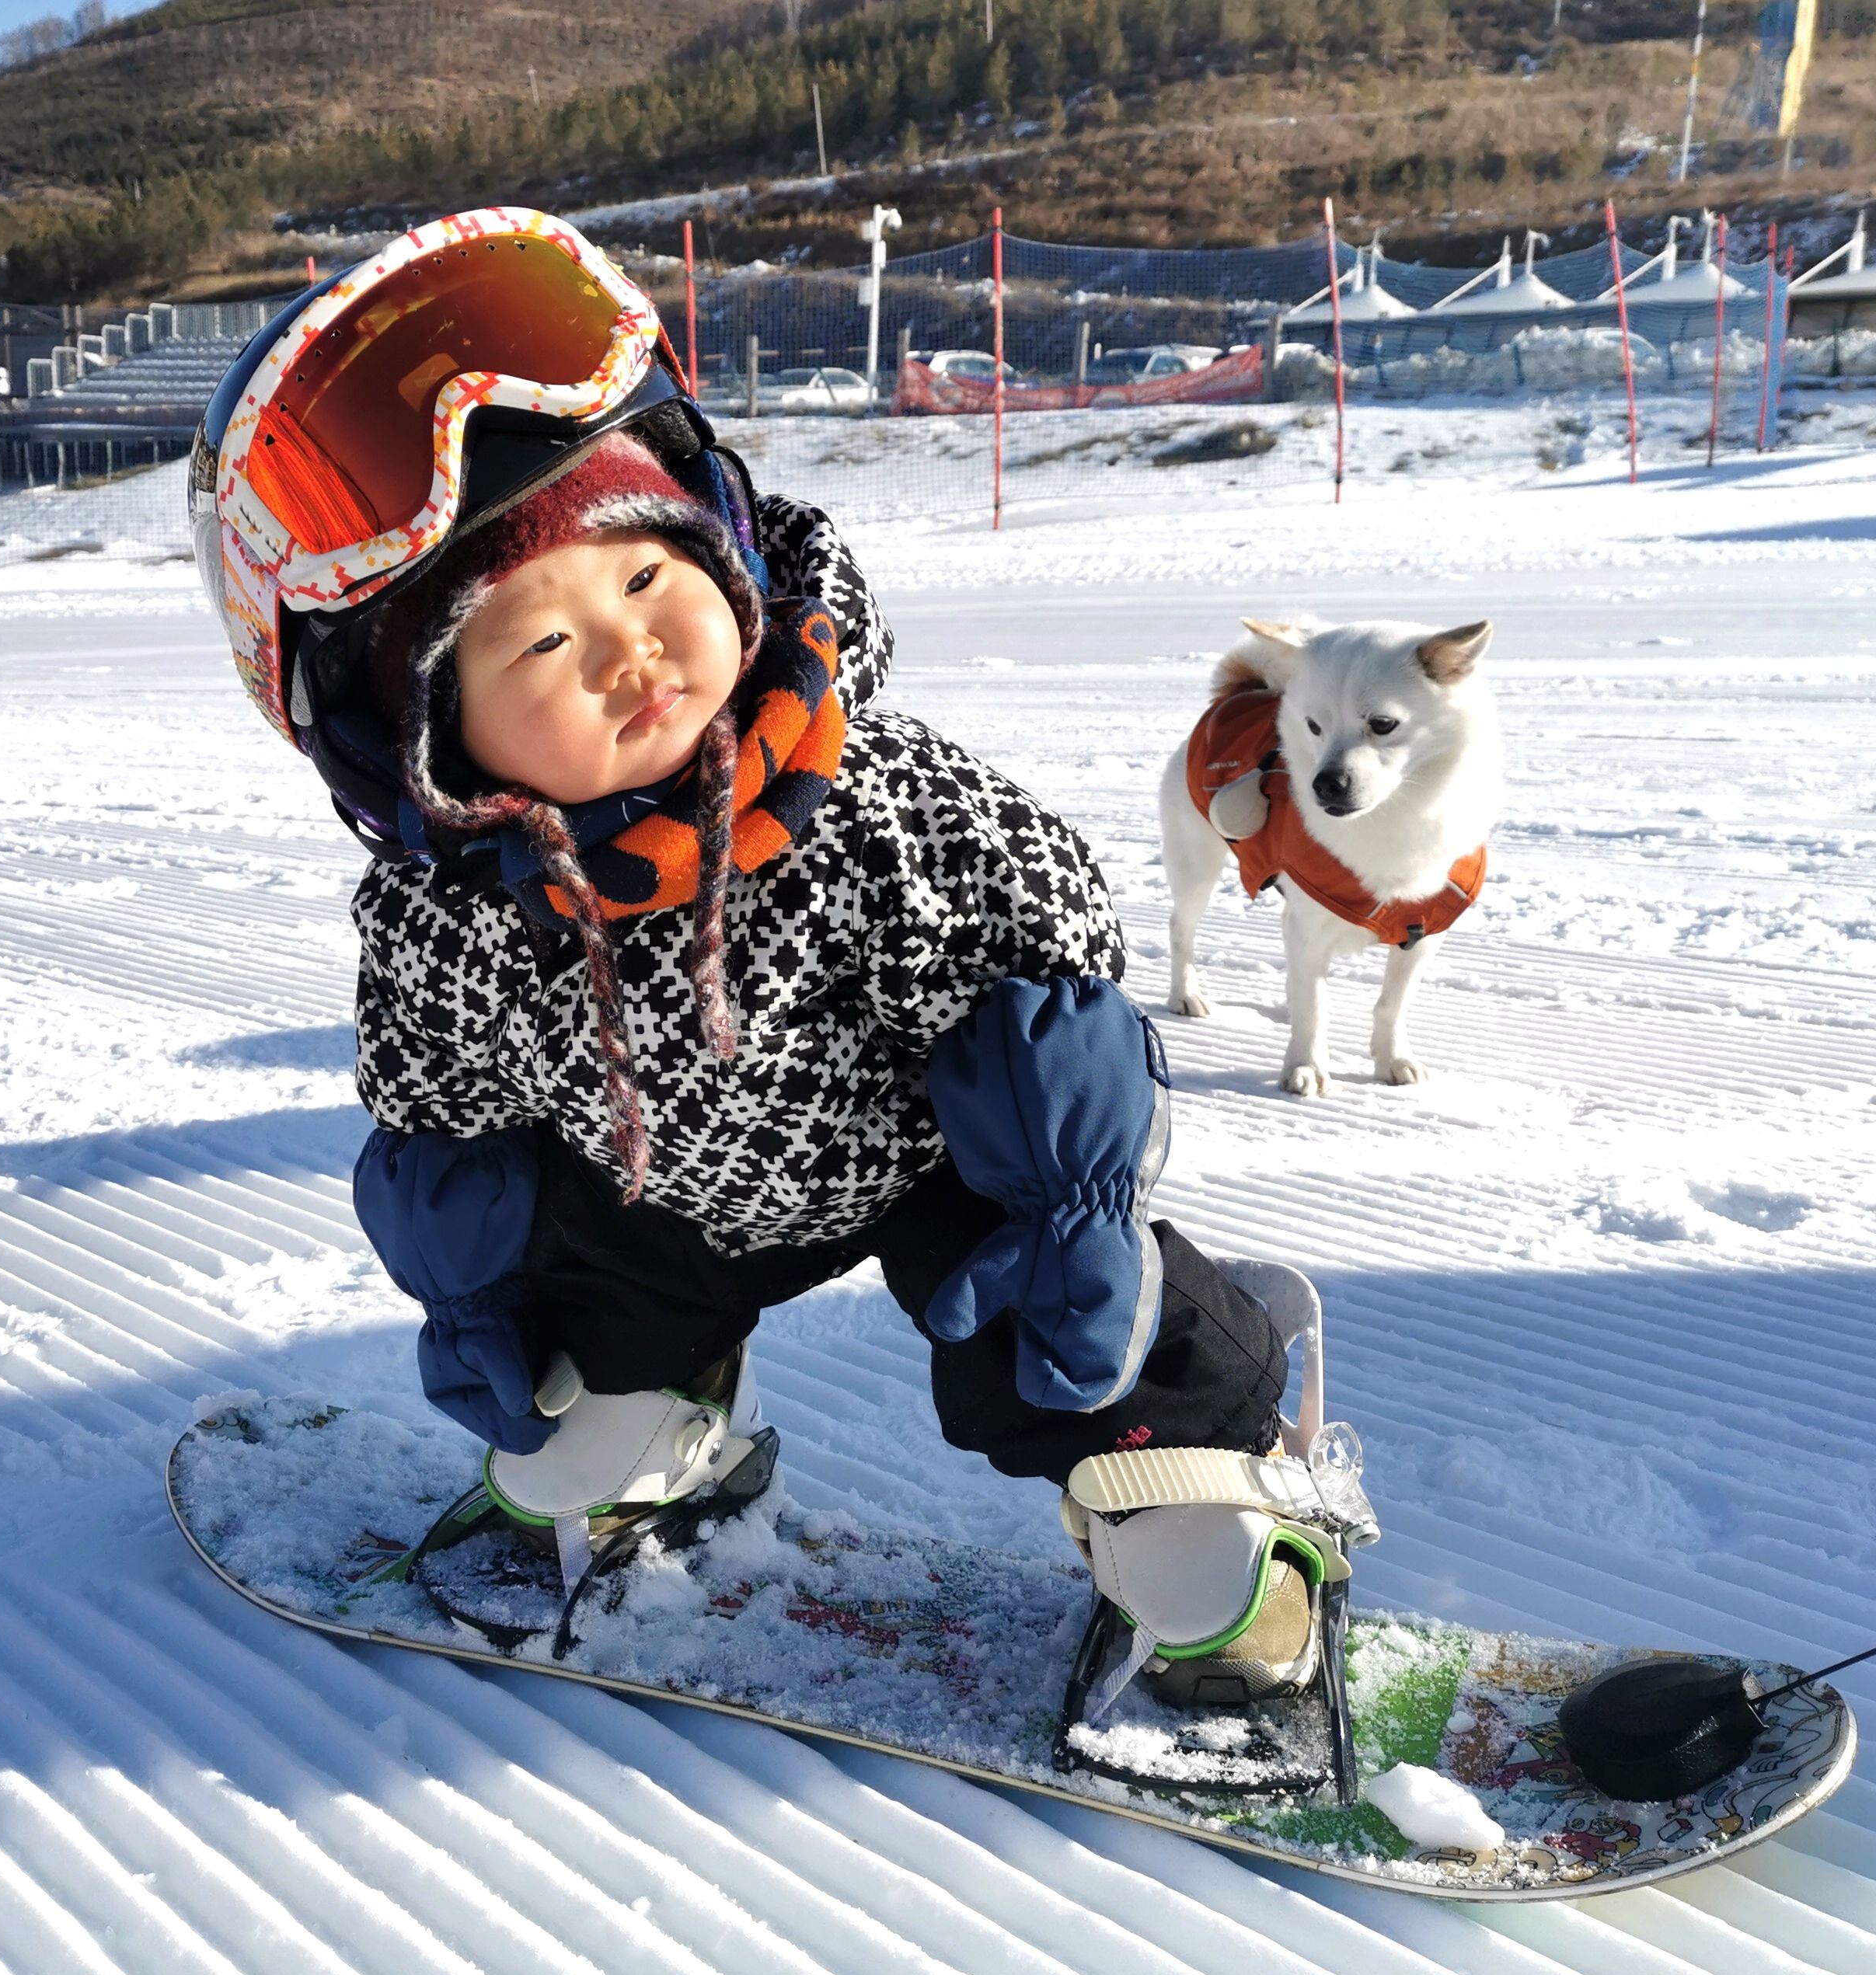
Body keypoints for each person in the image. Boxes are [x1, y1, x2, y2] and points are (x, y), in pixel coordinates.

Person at [191, 209, 1327, 1711]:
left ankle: (1232, 1503)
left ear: (721, 547)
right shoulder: (451, 916)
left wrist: (1075, 1205)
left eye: (649, 581)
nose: (624, 654)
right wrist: (476, 1302)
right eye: (534, 646)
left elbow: (1036, 987)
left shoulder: (866, 802)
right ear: (416, 740)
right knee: (558, 1449)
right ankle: (664, 1439)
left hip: (942, 1166)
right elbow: (440, 1117)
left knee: (1079, 1355)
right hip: (665, 1201)